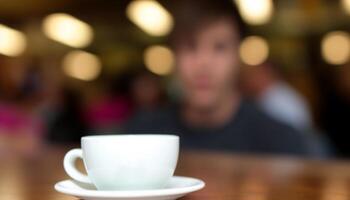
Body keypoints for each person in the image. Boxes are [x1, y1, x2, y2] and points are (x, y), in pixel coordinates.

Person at [124, 0, 323, 157]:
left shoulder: (282, 140)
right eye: (190, 47)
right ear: (174, 56)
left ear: (238, 56)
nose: (203, 63)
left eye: (220, 47)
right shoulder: (141, 137)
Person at [239, 62, 313, 132]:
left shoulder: (280, 98)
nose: (250, 80)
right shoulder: (264, 96)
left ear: (266, 74)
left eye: (254, 75)